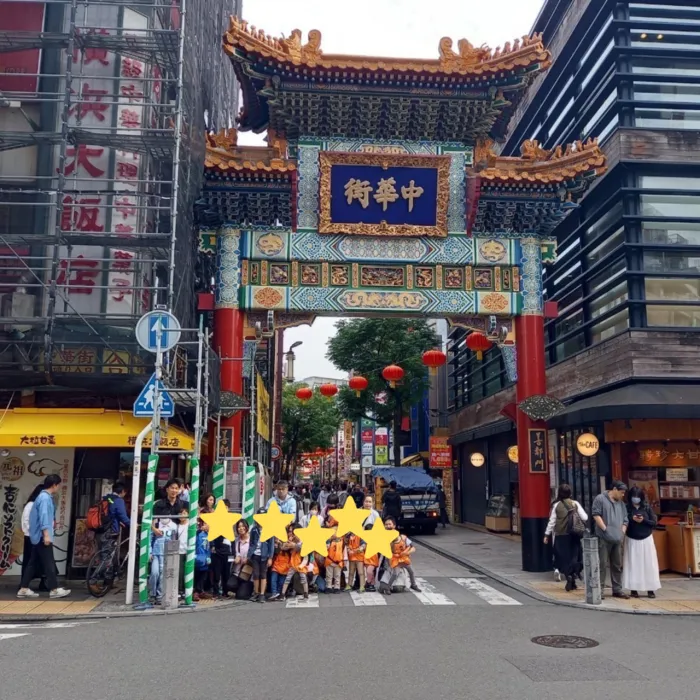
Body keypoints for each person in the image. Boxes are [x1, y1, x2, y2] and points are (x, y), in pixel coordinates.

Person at [17, 474, 71, 599]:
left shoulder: (40, 497)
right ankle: (54, 589)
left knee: (32, 562)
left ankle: (24, 588)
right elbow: (44, 517)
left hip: (36, 536)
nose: (58, 487)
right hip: (42, 536)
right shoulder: (45, 498)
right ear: (54, 485)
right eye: (58, 485)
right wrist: (46, 535)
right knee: (49, 563)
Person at [543, 484, 588, 592]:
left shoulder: (556, 505)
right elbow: (585, 517)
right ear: (570, 493)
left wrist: (546, 535)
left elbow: (552, 522)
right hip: (574, 535)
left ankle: (568, 576)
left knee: (562, 559)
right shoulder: (575, 503)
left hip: (561, 536)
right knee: (574, 557)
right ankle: (573, 577)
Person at [592, 480, 630, 600]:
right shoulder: (600, 499)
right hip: (603, 537)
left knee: (617, 565)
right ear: (614, 489)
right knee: (602, 564)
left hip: (617, 538)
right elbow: (596, 515)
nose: (623, 495)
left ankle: (617, 589)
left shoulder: (621, 504)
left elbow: (625, 519)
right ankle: (600, 590)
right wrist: (605, 529)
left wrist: (622, 532)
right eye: (621, 492)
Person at [623, 486, 661, 599]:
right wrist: (631, 519)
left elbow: (654, 522)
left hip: (646, 539)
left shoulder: (646, 507)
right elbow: (623, 521)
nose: (636, 499)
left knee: (649, 564)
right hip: (631, 539)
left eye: (638, 496)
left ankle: (651, 589)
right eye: (634, 497)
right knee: (633, 564)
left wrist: (643, 520)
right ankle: (633, 589)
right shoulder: (626, 508)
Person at [20, 484, 48, 592]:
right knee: (32, 562)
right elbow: (27, 522)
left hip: (34, 536)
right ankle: (25, 584)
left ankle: (40, 582)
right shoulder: (31, 505)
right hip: (33, 537)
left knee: (37, 561)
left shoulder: (33, 504)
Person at [383, 516, 421, 594]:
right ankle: (388, 587)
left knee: (411, 571)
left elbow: (412, 547)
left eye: (389, 524)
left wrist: (407, 552)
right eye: (386, 524)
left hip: (403, 559)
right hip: (393, 560)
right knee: (395, 574)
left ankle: (413, 584)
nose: (388, 526)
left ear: (394, 526)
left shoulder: (403, 537)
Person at [248, 508, 274, 603]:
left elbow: (271, 545)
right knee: (256, 574)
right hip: (255, 554)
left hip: (264, 555)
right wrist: (250, 553)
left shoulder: (269, 529)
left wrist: (270, 557)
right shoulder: (254, 529)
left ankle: (262, 594)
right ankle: (256, 592)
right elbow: (251, 542)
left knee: (263, 574)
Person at [210, 499, 232, 599]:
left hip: (228, 551)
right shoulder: (214, 520)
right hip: (217, 551)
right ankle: (215, 592)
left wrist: (234, 553)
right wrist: (212, 547)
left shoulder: (231, 520)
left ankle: (225, 591)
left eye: (226, 508)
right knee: (216, 573)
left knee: (226, 573)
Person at [269, 526, 294, 601]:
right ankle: (274, 593)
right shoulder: (274, 541)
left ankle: (279, 593)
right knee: (273, 579)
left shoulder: (288, 541)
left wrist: (280, 543)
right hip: (277, 564)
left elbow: (285, 548)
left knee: (281, 582)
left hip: (285, 566)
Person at [194, 522, 211, 601]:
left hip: (207, 556)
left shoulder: (210, 534)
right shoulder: (198, 533)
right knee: (198, 574)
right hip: (198, 556)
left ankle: (201, 590)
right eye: (205, 524)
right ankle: (196, 592)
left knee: (204, 574)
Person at [325, 527, 345, 593]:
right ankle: (329, 587)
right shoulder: (328, 541)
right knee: (329, 575)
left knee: (337, 575)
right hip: (329, 561)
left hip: (338, 561)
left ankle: (337, 587)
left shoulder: (343, 541)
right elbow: (325, 548)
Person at [363, 523, 379, 592]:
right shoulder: (364, 540)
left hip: (373, 559)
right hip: (366, 559)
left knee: (369, 571)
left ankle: (368, 582)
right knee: (370, 572)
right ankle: (371, 585)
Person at [177, 506, 189, 595]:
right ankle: (180, 589)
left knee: (187, 571)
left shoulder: (190, 525)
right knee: (180, 572)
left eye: (184, 513)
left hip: (188, 551)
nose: (182, 515)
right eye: (180, 513)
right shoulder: (176, 526)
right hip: (179, 552)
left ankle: (187, 589)